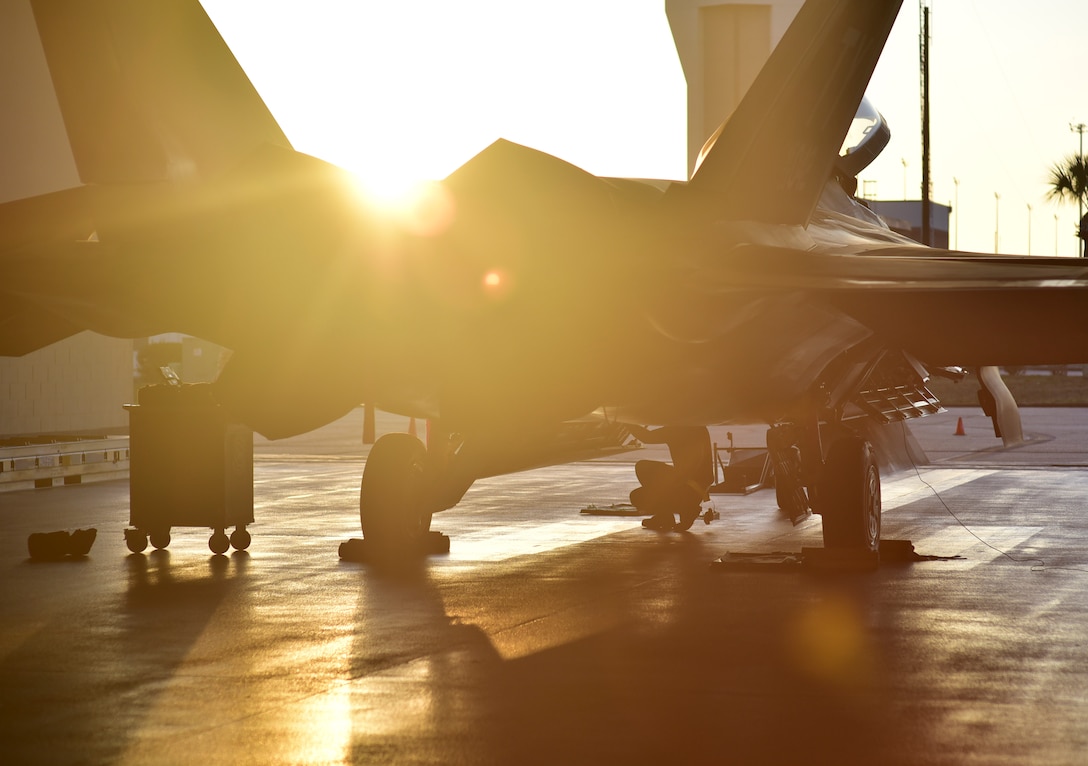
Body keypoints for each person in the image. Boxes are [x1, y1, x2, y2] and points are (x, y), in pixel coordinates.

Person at [626, 424, 714, 532]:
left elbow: (646, 437)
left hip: (687, 485)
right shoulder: (698, 426)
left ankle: (684, 510)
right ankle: (672, 513)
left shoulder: (676, 428)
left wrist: (625, 422)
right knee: (643, 467)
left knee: (637, 496)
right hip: (698, 486)